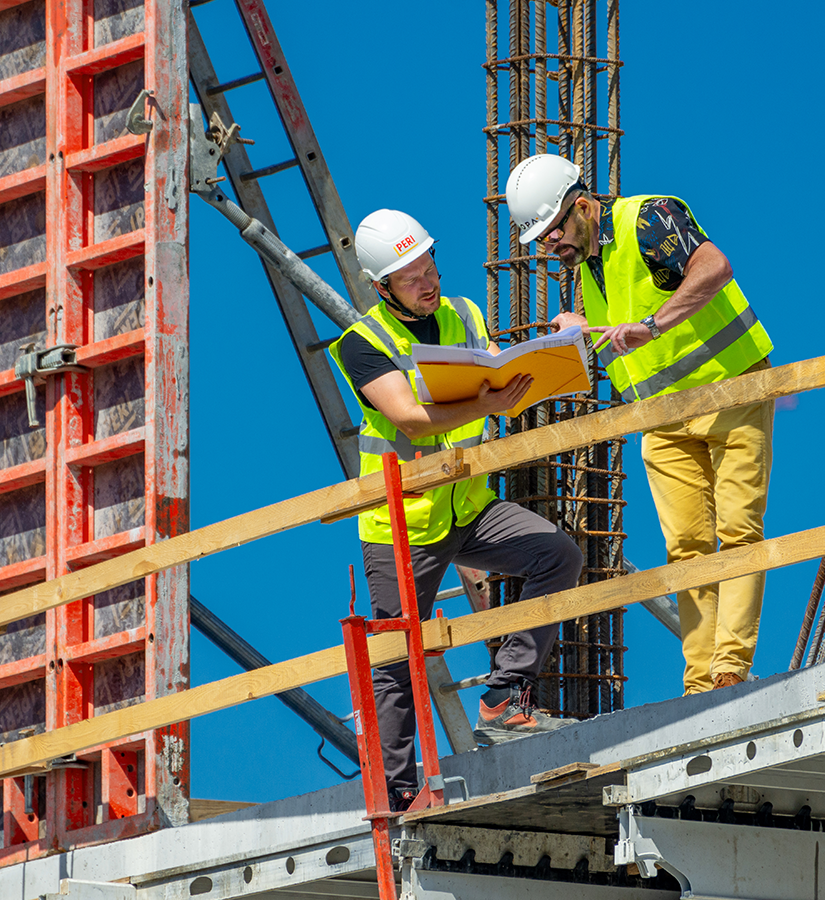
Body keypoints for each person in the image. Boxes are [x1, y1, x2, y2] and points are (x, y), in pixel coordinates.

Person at [328, 208, 584, 809]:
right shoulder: (361, 345)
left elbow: (492, 368)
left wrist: (549, 353)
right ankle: (398, 793)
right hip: (403, 523)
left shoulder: (463, 313)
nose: (427, 280)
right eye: (410, 275)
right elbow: (408, 415)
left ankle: (503, 697)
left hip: (467, 505)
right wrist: (488, 405)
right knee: (396, 657)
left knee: (558, 555)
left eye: (429, 264)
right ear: (381, 286)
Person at [505, 154, 774, 696]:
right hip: (662, 418)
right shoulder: (587, 266)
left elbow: (714, 267)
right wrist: (581, 332)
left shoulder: (649, 218)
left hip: (733, 388)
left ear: (582, 205)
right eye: (541, 239)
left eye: (554, 230)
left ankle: (730, 668)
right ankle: (702, 683)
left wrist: (652, 326)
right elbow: (622, 331)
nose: (550, 244)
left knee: (738, 532)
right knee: (687, 548)